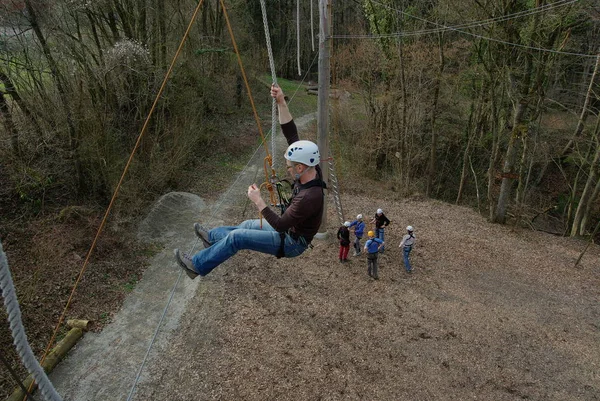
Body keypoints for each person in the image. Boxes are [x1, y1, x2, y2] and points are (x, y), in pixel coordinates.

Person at [173, 84, 326, 279]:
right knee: (246, 224)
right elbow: (291, 134)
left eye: (289, 166)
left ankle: (196, 265)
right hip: (288, 229)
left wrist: (258, 200)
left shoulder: (308, 197)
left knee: (239, 237)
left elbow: (279, 225)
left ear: (300, 168)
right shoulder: (312, 167)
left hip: (291, 242)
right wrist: (281, 102)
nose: (286, 169)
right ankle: (212, 238)